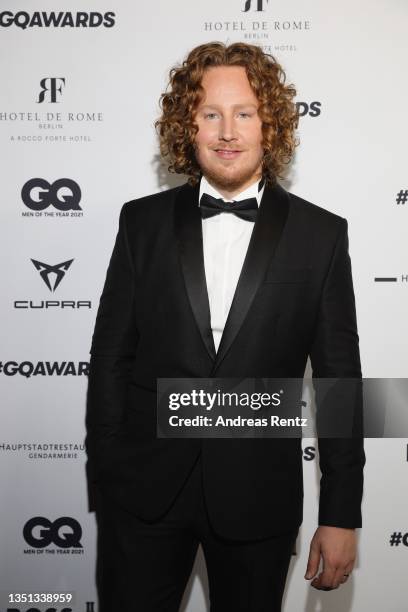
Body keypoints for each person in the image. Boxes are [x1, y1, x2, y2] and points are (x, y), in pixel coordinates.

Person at [85, 41, 365, 612]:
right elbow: (111, 355)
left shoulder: (321, 235)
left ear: (271, 124)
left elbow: (339, 382)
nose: (227, 131)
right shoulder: (141, 223)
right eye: (210, 113)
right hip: (142, 493)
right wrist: (108, 465)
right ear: (187, 125)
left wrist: (340, 514)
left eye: (244, 113)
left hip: (257, 496)